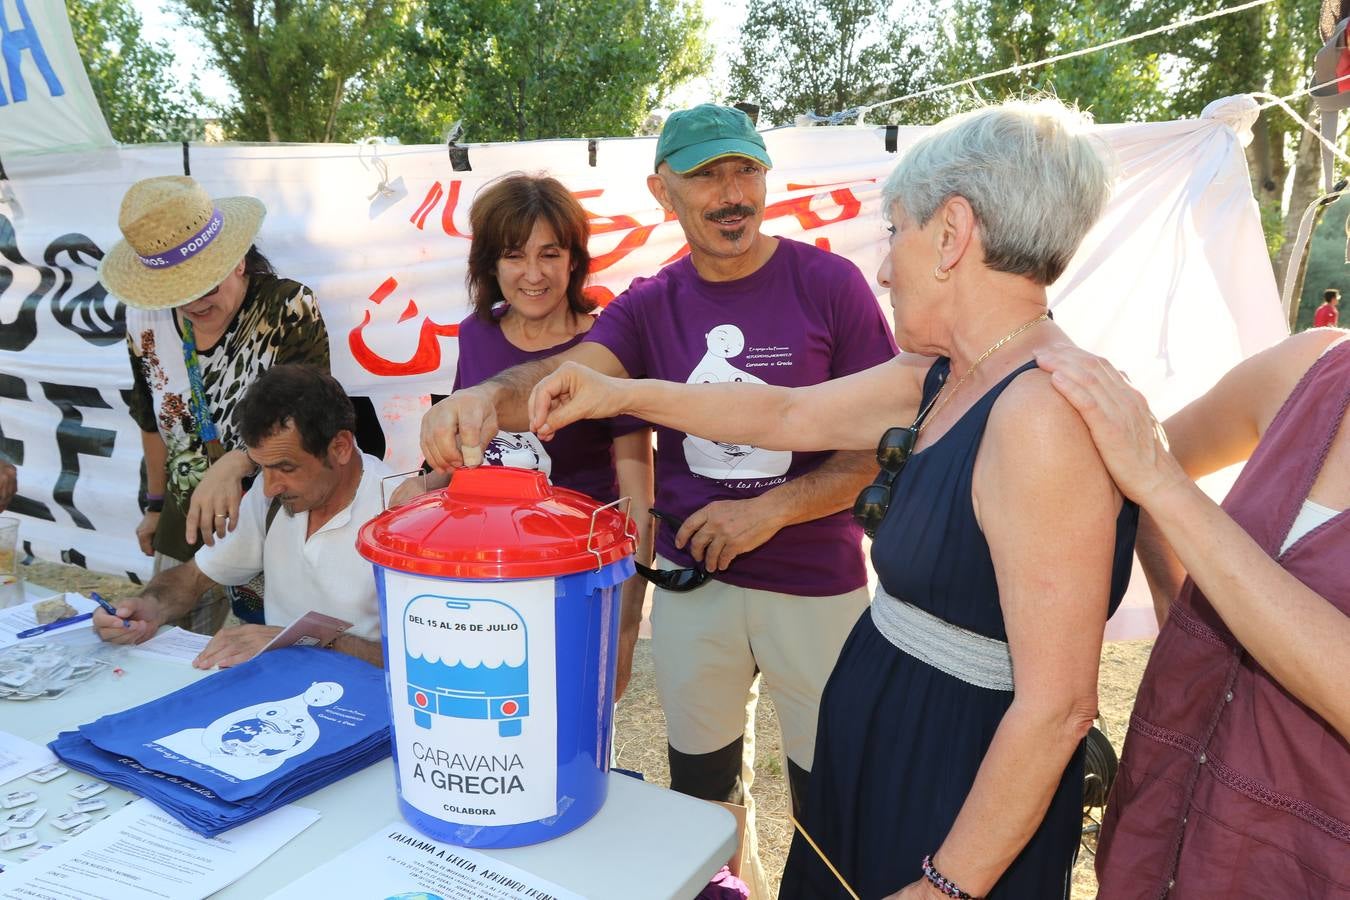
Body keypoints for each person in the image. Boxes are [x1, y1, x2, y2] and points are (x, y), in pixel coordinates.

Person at [528, 99, 1138, 898]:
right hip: (883, 751)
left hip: (951, 780)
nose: (885, 266)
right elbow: (782, 411)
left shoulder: (1040, 414)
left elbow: (1057, 708)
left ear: (951, 235)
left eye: (897, 232)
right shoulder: (945, 375)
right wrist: (618, 393)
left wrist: (945, 887)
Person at [420, 103, 898, 890]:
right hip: (696, 589)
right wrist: (483, 396)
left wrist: (771, 509)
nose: (731, 193)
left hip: (818, 586)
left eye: (744, 170)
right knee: (703, 795)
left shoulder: (830, 285)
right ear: (663, 191)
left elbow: (880, 445)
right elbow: (566, 372)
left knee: (832, 795)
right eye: (707, 176)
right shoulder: (651, 303)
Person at [1037, 330, 1350, 898]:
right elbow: (1156, 457)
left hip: (1302, 861)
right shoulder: (1308, 366)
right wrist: (1173, 597)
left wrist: (1163, 485)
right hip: (1163, 813)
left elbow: (1157, 474)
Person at [396, 172, 654, 701]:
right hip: (487, 574)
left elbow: (638, 501)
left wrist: (625, 629)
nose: (533, 275)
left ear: (574, 260)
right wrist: (422, 488)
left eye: (550, 254)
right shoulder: (476, 333)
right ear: (490, 264)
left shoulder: (609, 345)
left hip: (578, 580)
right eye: (514, 255)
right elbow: (466, 451)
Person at [97, 175, 331, 631]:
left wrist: (238, 462)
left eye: (204, 285)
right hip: (186, 515)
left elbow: (311, 413)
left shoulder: (287, 307)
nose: (192, 303)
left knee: (262, 648)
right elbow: (152, 419)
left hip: (272, 506)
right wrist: (155, 504)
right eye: (176, 292)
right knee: (164, 642)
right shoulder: (144, 321)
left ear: (238, 261)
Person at [93, 365, 389, 669]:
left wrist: (299, 640)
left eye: (286, 468)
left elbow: (423, 660)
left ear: (340, 447)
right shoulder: (270, 495)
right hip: (278, 688)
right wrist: (149, 606)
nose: (271, 486)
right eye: (262, 467)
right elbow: (195, 577)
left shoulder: (397, 511)